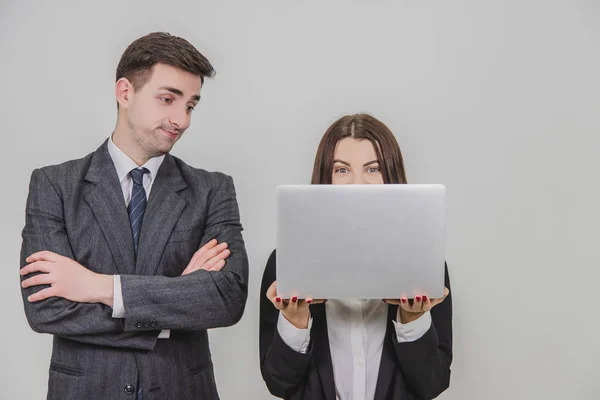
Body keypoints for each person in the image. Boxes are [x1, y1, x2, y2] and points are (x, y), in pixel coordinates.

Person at [19, 32, 248, 400]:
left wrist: (99, 287)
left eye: (190, 105)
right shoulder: (54, 185)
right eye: (168, 99)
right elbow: (46, 308)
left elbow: (226, 299)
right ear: (125, 92)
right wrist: (176, 301)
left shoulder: (212, 189)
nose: (182, 119)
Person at [259, 113, 452, 400]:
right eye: (341, 170)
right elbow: (279, 385)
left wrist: (412, 319)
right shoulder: (287, 261)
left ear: (391, 176)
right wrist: (295, 321)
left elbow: (432, 383)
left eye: (373, 169)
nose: (357, 183)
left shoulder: (423, 262)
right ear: (325, 177)